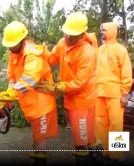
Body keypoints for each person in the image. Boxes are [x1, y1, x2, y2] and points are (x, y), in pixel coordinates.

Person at [36, 12, 97, 164]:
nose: (68, 37)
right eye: (66, 33)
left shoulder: (87, 53)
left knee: (81, 140)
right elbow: (52, 58)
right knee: (85, 137)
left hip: (82, 101)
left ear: (82, 34)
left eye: (72, 35)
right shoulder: (64, 43)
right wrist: (42, 51)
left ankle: (98, 156)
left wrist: (56, 88)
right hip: (73, 98)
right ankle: (95, 155)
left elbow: (79, 83)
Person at [0, 20, 58, 164]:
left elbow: (29, 80)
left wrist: (11, 95)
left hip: (42, 104)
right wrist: (7, 101)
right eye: (8, 45)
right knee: (36, 138)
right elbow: (12, 79)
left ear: (21, 40)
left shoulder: (32, 53)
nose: (10, 48)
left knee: (40, 141)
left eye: (12, 44)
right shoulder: (14, 53)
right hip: (30, 103)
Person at [95, 22, 132, 163]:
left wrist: (124, 94)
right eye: (101, 30)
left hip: (115, 94)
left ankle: (117, 156)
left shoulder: (120, 50)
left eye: (104, 30)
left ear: (111, 31)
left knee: (116, 124)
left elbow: (127, 74)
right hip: (99, 93)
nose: (101, 32)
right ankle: (103, 153)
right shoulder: (99, 50)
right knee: (99, 124)